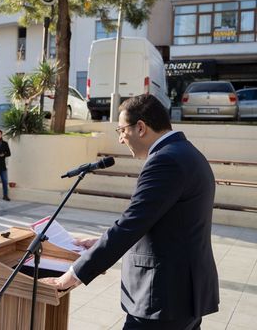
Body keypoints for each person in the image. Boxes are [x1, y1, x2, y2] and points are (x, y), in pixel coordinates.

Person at [43, 94, 220, 329]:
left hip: (163, 299)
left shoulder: (165, 161)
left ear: (140, 128)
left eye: (121, 130)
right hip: (183, 295)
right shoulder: (187, 153)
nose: (120, 139)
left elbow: (130, 225)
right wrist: (98, 243)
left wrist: (73, 275)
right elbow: (164, 226)